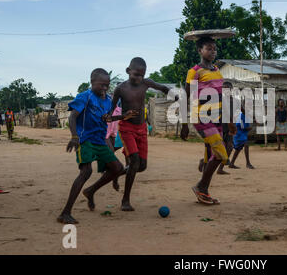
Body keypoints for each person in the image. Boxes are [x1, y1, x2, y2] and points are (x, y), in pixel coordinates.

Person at [57, 68, 136, 224]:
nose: (105, 88)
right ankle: (65, 213)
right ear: (92, 82)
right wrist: (74, 136)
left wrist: (123, 116)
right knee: (86, 171)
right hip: (85, 140)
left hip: (100, 141)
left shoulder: (107, 100)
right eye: (102, 85)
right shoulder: (84, 97)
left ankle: (91, 190)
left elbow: (106, 118)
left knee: (117, 168)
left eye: (107, 85)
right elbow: (73, 117)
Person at [109, 57, 171, 211]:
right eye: (136, 74)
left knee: (141, 166)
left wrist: (175, 95)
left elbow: (162, 87)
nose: (139, 78)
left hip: (142, 128)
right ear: (128, 71)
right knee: (134, 161)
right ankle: (125, 200)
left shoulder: (146, 83)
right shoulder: (120, 89)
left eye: (142, 75)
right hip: (126, 128)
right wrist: (123, 116)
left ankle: (115, 173)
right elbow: (110, 114)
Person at [180, 36, 234, 205]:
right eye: (208, 48)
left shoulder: (217, 70)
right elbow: (185, 97)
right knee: (221, 153)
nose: (212, 51)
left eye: (214, 48)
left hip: (217, 118)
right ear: (200, 51)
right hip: (201, 117)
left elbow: (221, 97)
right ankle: (201, 187)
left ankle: (203, 191)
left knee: (213, 155)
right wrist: (184, 124)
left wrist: (229, 120)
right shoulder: (194, 71)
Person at [229, 104, 255, 169]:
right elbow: (242, 127)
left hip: (241, 134)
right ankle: (248, 163)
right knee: (246, 144)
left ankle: (231, 163)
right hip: (239, 134)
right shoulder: (241, 116)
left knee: (238, 149)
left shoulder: (246, 115)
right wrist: (249, 128)